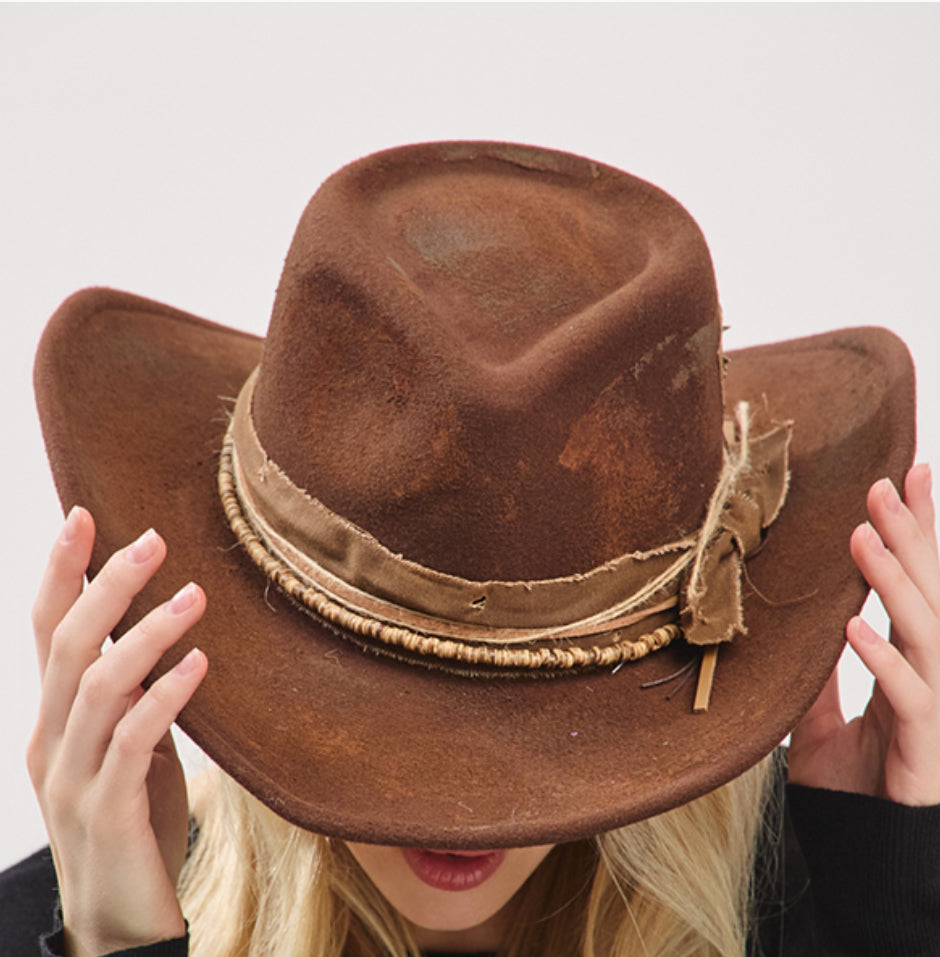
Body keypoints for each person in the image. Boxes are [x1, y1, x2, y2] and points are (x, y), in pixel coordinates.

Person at [2, 141, 939, 957]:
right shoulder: (53, 924)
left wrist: (880, 911)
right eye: (412, 715)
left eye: (509, 709)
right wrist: (115, 939)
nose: (460, 803)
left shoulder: (815, 903)